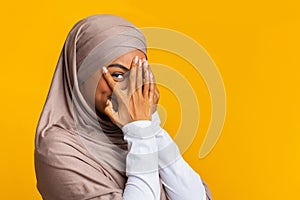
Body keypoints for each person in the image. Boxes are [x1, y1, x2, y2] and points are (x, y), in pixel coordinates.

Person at [34, 14, 212, 200]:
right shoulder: (57, 147)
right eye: (118, 75)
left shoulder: (133, 130)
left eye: (140, 74)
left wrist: (150, 124)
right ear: (79, 75)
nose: (132, 88)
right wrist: (141, 131)